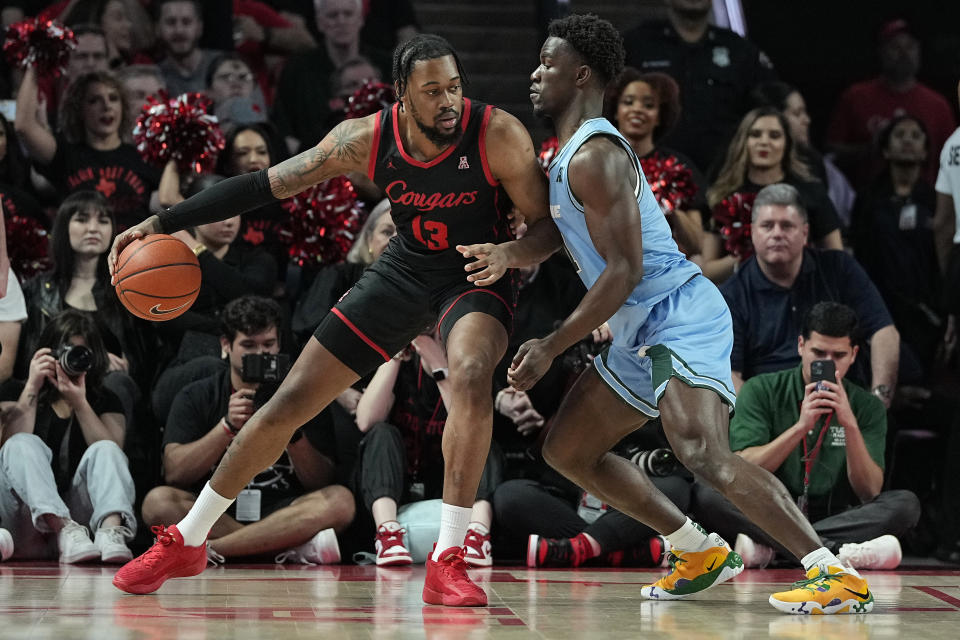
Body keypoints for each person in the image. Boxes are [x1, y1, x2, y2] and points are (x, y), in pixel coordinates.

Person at [109, 33, 554, 608]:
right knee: (289, 400)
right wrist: (165, 223)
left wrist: (510, 256)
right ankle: (188, 540)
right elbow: (260, 187)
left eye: (455, 87)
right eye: (432, 91)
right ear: (401, 94)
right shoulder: (363, 139)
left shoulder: (497, 132)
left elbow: (547, 227)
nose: (448, 101)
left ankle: (449, 558)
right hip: (403, 272)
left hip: (474, 274)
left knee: (469, 373)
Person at [467, 13, 872, 614]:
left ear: (580, 75)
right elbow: (558, 230)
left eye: (547, 64)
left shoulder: (597, 154)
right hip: (637, 326)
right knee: (568, 450)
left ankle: (831, 571)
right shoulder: (565, 154)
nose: (535, 73)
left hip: (676, 312)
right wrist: (510, 252)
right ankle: (695, 549)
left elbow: (625, 270)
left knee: (702, 452)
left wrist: (553, 343)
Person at [691, 302, 920, 570]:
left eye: (838, 355)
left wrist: (849, 424)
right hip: (770, 509)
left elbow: (869, 491)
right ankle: (834, 551)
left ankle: (775, 549)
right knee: (706, 494)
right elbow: (744, 469)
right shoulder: (762, 389)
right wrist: (799, 427)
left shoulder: (866, 406)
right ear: (801, 345)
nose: (827, 363)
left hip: (837, 514)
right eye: (818, 352)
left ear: (854, 354)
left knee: (905, 504)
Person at [142, 296, 354, 565]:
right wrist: (226, 427)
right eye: (248, 345)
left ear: (279, 345)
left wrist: (294, 433)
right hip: (218, 510)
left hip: (283, 510)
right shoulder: (197, 394)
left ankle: (211, 550)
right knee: (157, 502)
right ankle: (279, 549)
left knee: (341, 501)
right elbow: (174, 473)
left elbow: (322, 481)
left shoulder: (303, 397)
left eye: (268, 344)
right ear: (226, 345)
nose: (260, 354)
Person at [720, 183, 900, 400]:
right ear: (752, 232)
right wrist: (761, 418)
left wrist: (879, 399)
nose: (777, 234)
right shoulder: (732, 293)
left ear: (805, 233)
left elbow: (884, 333)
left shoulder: (839, 268)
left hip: (843, 400)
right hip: (771, 409)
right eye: (767, 226)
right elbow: (729, 374)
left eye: (787, 226)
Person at [353, 327, 502, 567]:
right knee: (381, 434)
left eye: (438, 333)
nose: (431, 339)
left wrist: (439, 365)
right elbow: (365, 420)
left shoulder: (468, 366)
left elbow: (468, 421)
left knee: (479, 439)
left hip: (445, 485)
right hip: (395, 486)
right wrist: (394, 356)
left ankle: (477, 535)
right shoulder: (404, 367)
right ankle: (387, 535)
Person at [0, 309, 135, 564]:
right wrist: (32, 386)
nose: (69, 360)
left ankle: (110, 533)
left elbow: (114, 452)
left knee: (106, 449)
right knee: (22, 443)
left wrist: (80, 402)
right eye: (64, 351)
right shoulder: (17, 390)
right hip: (26, 525)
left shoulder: (104, 398)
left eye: (79, 353)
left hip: (85, 534)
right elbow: (8, 450)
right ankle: (63, 528)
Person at [621, 0, 777, 172]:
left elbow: (769, 108)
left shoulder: (738, 50)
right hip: (651, 175)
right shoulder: (637, 45)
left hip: (725, 177)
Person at [702, 107, 842, 283]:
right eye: (755, 134)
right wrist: (751, 254)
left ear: (787, 144)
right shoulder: (723, 195)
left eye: (774, 136)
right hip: (739, 298)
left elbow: (837, 258)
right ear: (743, 142)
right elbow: (707, 272)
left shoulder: (811, 192)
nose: (764, 142)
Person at [851, 116, 942, 380]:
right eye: (900, 135)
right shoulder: (868, 198)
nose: (907, 141)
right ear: (886, 149)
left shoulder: (935, 199)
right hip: (881, 302)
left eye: (915, 136)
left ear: (926, 150)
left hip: (926, 308)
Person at [15, 69, 161, 230]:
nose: (106, 106)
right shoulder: (66, 154)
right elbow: (24, 126)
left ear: (123, 107)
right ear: (79, 109)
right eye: (94, 100)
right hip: (81, 251)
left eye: (113, 98)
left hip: (133, 251)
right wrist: (35, 64)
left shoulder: (143, 157)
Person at [827, 19, 956, 189]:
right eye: (895, 47)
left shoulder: (938, 105)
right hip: (867, 201)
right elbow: (831, 152)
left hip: (925, 203)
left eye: (910, 46)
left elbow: (953, 160)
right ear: (881, 52)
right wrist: (870, 149)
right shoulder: (856, 96)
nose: (904, 54)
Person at [602, 68, 706, 258]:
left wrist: (667, 202)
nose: (637, 109)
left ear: (659, 116)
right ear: (616, 110)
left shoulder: (677, 167)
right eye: (628, 102)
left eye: (648, 105)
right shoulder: (597, 160)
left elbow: (697, 245)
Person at [272, 0, 392, 154]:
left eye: (348, 14)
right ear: (320, 22)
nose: (341, 21)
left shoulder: (386, 65)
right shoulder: (296, 69)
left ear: (360, 19)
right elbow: (284, 129)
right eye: (332, 15)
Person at [751, 81, 856, 228]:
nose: (807, 120)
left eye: (805, 112)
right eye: (797, 113)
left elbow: (841, 217)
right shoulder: (743, 165)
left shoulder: (815, 163)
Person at [153, 0, 220, 97]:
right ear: (157, 28)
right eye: (171, 22)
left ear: (199, 27)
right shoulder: (155, 77)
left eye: (186, 22)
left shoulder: (222, 65)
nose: (179, 30)